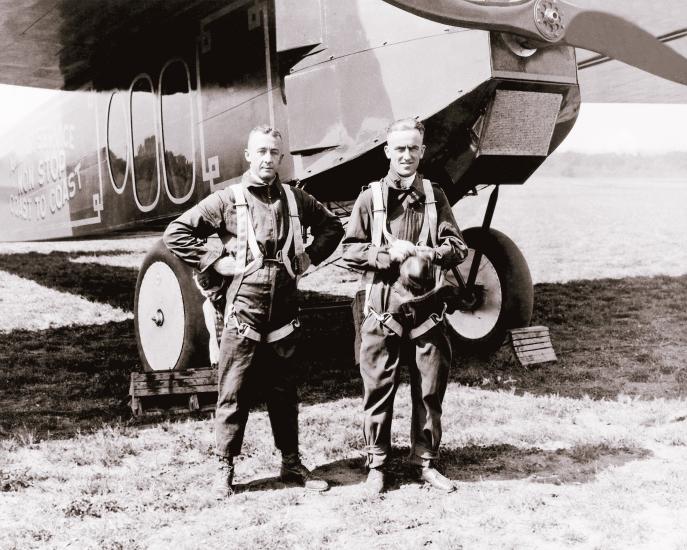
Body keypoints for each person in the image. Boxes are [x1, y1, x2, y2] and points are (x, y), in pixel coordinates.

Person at [164, 125, 344, 497]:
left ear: (281, 157)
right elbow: (177, 233)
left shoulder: (296, 200)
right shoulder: (227, 199)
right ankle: (224, 467)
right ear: (248, 155)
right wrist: (215, 260)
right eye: (260, 151)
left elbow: (331, 227)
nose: (267, 158)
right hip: (242, 313)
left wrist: (310, 256)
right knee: (233, 393)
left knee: (285, 392)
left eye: (273, 152)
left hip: (284, 315)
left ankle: (291, 464)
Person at [342, 118, 468, 494]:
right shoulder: (370, 199)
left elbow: (458, 247)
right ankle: (377, 464)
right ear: (387, 152)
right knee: (378, 387)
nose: (407, 156)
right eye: (399, 148)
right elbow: (350, 251)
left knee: (430, 388)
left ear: (422, 152)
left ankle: (425, 462)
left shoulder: (434, 196)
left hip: (427, 309)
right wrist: (384, 253)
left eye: (413, 148)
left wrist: (433, 253)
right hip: (383, 308)